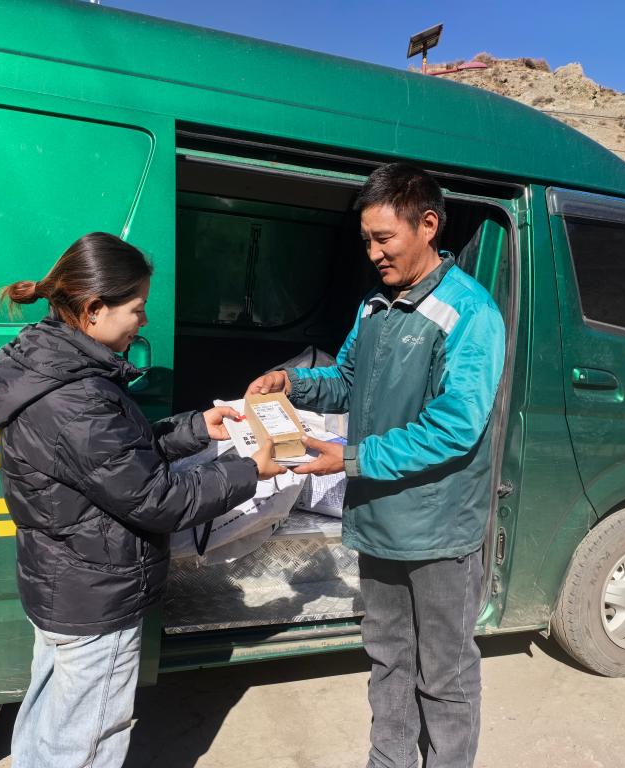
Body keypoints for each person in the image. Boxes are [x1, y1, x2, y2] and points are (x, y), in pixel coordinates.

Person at [0, 232, 283, 768]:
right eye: (136, 308)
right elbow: (157, 497)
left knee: (50, 721)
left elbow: (114, 460)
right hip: (97, 593)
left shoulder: (49, 366)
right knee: (85, 742)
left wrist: (196, 429)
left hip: (64, 581)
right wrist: (247, 470)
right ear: (94, 309)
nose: (143, 321)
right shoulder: (77, 398)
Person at [249, 163, 506, 768]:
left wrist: (352, 457)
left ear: (428, 225)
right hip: (377, 518)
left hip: (437, 530)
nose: (373, 253)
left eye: (384, 238)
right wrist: (292, 383)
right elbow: (347, 380)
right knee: (388, 656)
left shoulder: (469, 313)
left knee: (444, 671)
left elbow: (456, 425)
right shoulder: (374, 307)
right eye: (366, 240)